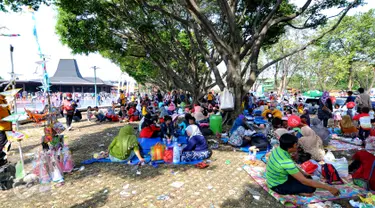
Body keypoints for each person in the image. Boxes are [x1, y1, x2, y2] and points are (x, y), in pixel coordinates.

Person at [266, 133, 340, 196]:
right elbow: (304, 181)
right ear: (289, 147)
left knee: (308, 178)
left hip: (276, 178)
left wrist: (304, 173)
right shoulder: (286, 162)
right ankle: (298, 192)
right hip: (277, 186)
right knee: (311, 188)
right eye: (296, 144)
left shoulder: (279, 149)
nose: (297, 145)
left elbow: (292, 166)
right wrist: (329, 188)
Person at [0, 95, 11, 166]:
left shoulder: (4, 101)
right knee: (2, 145)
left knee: (8, 145)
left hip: (8, 127)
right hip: (2, 129)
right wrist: (3, 119)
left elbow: (8, 111)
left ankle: (3, 160)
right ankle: (1, 161)